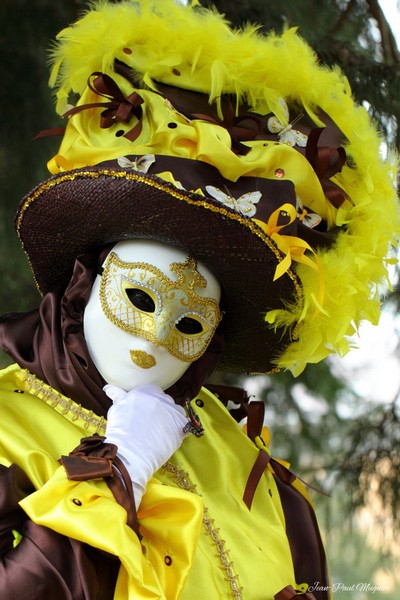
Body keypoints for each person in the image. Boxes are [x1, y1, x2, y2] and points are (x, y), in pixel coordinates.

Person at [0, 1, 398, 599]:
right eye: (140, 294)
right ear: (85, 282)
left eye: (189, 321)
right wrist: (118, 471)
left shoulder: (236, 453)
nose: (157, 338)